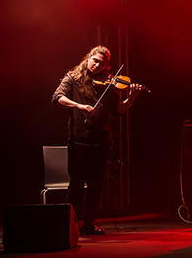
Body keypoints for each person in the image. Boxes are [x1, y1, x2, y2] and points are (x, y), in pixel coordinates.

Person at [52, 46, 144, 235]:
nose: (96, 65)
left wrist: (133, 96)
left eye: (101, 64)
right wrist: (79, 105)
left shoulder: (109, 85)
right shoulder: (73, 78)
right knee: (76, 182)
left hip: (101, 140)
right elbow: (57, 98)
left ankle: (89, 223)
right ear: (88, 58)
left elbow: (118, 110)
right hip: (78, 138)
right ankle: (73, 223)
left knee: (96, 184)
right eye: (94, 60)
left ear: (106, 67)